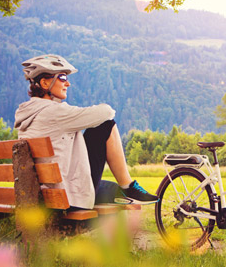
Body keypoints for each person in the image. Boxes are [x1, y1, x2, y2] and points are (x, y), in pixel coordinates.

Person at [14, 54, 158, 210]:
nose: (67, 83)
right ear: (44, 82)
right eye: (62, 77)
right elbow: (106, 112)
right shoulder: (54, 113)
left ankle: (123, 193)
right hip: (66, 199)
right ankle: (128, 186)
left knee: (111, 189)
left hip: (44, 195)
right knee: (105, 125)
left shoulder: (27, 114)